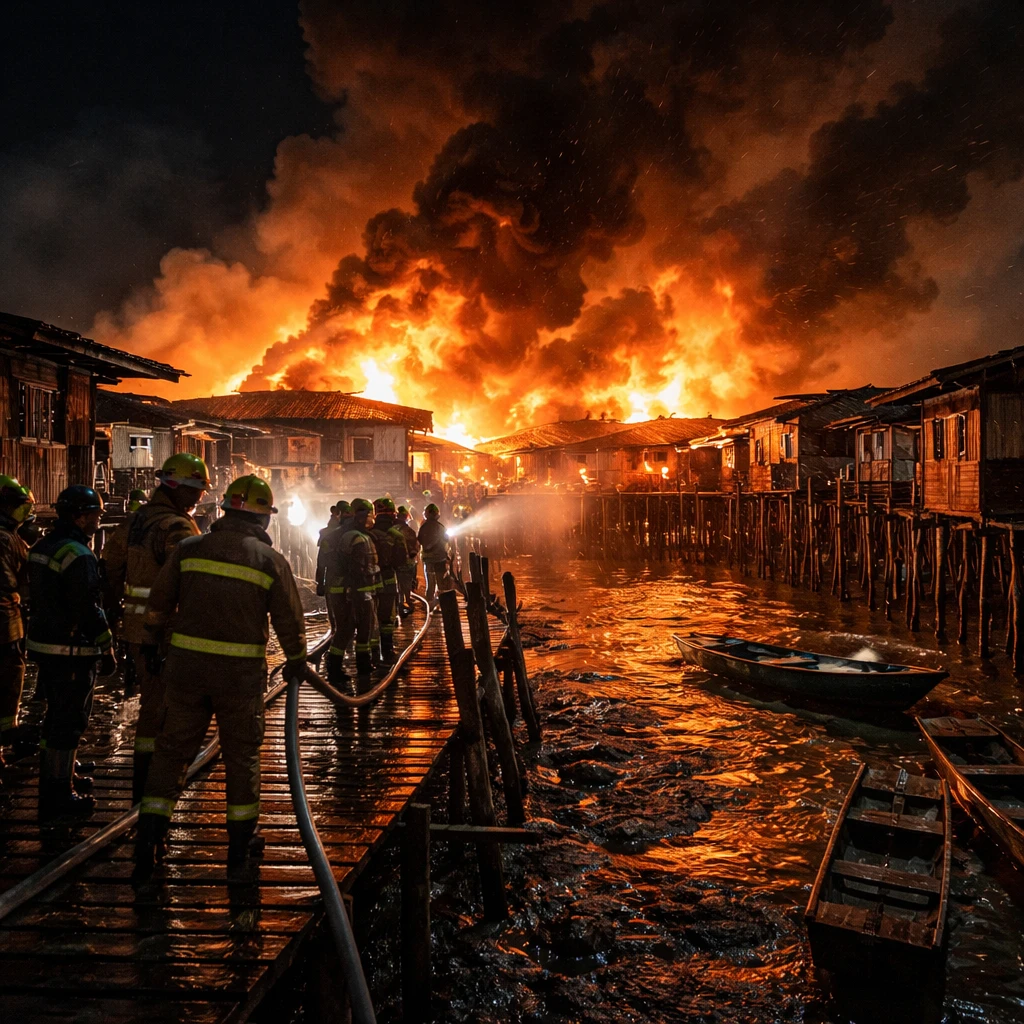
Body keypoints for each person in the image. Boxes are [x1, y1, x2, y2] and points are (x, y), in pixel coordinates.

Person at [132, 475, 307, 886]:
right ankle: (239, 847)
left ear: (225, 510)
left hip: (185, 672)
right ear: (263, 520)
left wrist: (150, 644)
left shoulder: (188, 549)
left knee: (171, 753)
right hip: (239, 679)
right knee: (241, 758)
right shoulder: (270, 562)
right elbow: (289, 621)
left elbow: (157, 603)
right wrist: (297, 661)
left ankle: (147, 842)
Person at [101, 453, 209, 802]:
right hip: (167, 632)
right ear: (176, 487)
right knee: (166, 712)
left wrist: (118, 617)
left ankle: (143, 790)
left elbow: (111, 570)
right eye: (195, 491)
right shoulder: (177, 527)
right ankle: (153, 795)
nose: (199, 499)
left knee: (152, 707)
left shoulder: (134, 521)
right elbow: (190, 582)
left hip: (137, 632)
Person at [27, 485, 116, 822]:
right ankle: (59, 793)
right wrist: (107, 646)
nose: (97, 520)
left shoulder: (43, 546)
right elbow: (87, 607)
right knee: (69, 721)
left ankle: (56, 779)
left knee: (54, 719)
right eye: (94, 514)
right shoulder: (78, 554)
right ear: (81, 515)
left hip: (45, 646)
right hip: (73, 650)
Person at [0, 475, 35, 766]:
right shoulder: (4, 539)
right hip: (4, 619)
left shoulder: (11, 537)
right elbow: (10, 580)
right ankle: (5, 736)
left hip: (9, 617)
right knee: (8, 676)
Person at [334, 498, 379, 676]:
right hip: (360, 590)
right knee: (360, 629)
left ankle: (342, 665)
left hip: (361, 590)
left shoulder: (358, 535)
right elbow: (357, 568)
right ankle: (359, 665)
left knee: (356, 629)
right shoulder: (357, 538)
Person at [369, 497, 408, 665]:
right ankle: (387, 651)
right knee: (387, 618)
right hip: (388, 581)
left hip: (369, 582)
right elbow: (402, 562)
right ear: (393, 515)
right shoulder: (397, 535)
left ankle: (373, 654)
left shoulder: (368, 534)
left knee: (370, 618)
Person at [323, 502, 356, 683]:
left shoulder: (329, 536)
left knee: (343, 626)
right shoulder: (349, 537)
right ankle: (333, 664)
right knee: (346, 627)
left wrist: (321, 582)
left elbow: (323, 563)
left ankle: (333, 662)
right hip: (346, 587)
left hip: (335, 586)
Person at [418, 503, 451, 604]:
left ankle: (429, 602)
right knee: (441, 582)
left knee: (430, 582)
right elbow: (447, 539)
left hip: (428, 559)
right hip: (440, 558)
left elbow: (419, 540)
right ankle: (442, 603)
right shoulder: (441, 527)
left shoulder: (423, 527)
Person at [394, 506, 420, 617]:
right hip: (407, 563)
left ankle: (399, 604)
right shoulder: (409, 531)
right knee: (406, 586)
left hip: (394, 563)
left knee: (396, 585)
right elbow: (415, 547)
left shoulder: (392, 530)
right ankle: (406, 602)